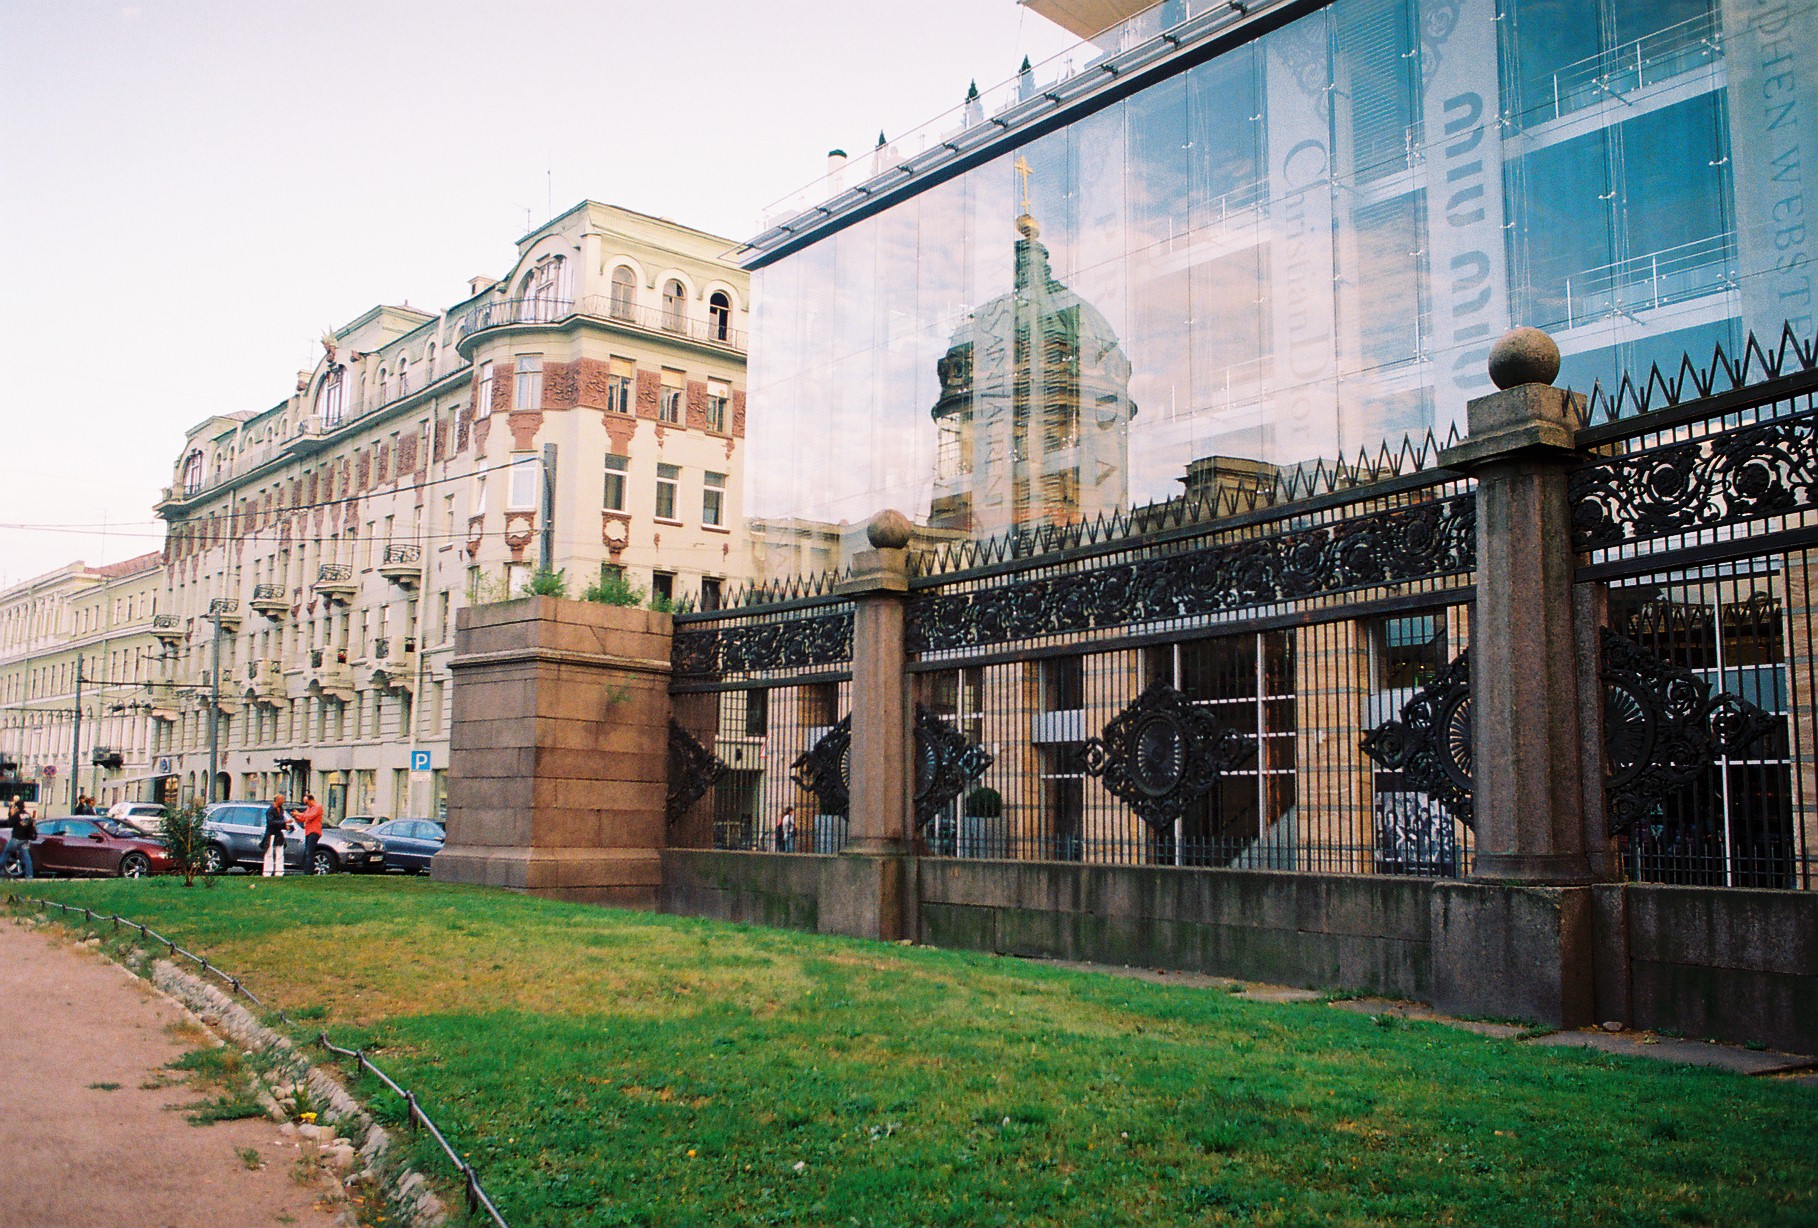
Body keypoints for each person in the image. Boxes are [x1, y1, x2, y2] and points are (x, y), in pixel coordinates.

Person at [3, 797, 34, 879]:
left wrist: (10, 814)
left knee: (6, 854)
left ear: (17, 807)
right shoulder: (28, 815)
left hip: (16, 838)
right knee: (27, 858)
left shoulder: (17, 815)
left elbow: (10, 824)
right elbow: (31, 827)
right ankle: (29, 876)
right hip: (25, 840)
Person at [261, 794, 291, 877]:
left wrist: (285, 826)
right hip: (270, 834)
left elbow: (280, 821)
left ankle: (279, 872)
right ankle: (267, 872)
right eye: (282, 799)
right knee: (269, 853)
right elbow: (271, 822)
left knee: (280, 853)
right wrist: (284, 823)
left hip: (278, 834)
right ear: (277, 800)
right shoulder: (270, 810)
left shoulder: (281, 809)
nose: (283, 801)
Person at [298, 793, 325, 872]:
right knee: (308, 851)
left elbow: (309, 817)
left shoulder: (317, 807)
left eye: (307, 802)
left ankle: (309, 871)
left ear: (311, 800)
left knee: (309, 851)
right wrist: (296, 816)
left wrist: (299, 814)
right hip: (308, 831)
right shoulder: (309, 808)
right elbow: (304, 816)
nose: (306, 805)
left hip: (314, 831)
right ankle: (308, 869)